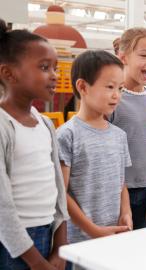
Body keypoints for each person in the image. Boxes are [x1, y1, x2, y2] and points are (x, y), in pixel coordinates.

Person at [0, 19, 69, 270]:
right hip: (14, 246)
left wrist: (60, 247)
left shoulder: (45, 123)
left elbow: (58, 188)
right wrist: (37, 262)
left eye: (55, 67)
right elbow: (2, 208)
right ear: (8, 73)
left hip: (50, 234)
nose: (54, 76)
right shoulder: (3, 125)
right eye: (44, 67)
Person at [57, 50, 132, 248]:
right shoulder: (67, 135)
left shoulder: (119, 135)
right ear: (83, 86)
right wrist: (92, 229)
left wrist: (126, 212)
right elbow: (61, 192)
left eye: (121, 88)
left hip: (115, 233)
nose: (116, 95)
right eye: (109, 87)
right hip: (80, 240)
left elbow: (121, 182)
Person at [109, 27, 146, 228]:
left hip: (145, 187)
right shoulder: (114, 98)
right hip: (116, 190)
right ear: (123, 58)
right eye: (144, 55)